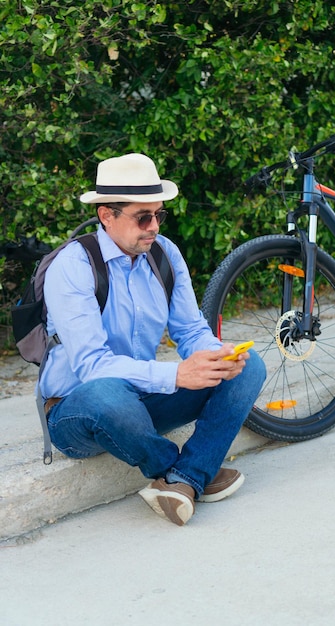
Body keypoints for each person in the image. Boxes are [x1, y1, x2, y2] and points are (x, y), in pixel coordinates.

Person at [41, 153, 266, 526]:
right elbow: (92, 367)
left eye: (159, 215)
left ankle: (182, 481)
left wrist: (217, 355)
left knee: (248, 367)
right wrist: (177, 375)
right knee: (108, 393)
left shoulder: (165, 255)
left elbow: (190, 331)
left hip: (141, 401)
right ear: (106, 215)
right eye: (142, 217)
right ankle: (191, 472)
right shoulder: (73, 266)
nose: (154, 227)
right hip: (77, 410)